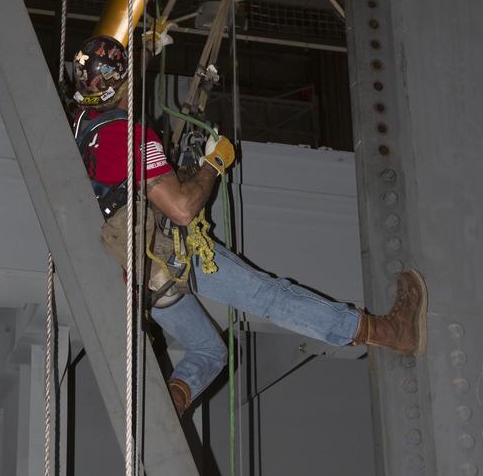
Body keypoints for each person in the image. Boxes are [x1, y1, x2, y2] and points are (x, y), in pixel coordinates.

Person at [71, 34, 427, 417]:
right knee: (270, 297)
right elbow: (182, 208)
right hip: (170, 251)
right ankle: (389, 332)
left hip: (139, 276)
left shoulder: (83, 126)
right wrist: (213, 165)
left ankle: (173, 400)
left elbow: (113, 86)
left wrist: (144, 49)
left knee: (210, 351)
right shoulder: (130, 138)